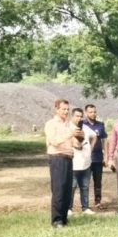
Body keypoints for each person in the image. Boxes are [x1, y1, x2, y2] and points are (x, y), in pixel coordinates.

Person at [44, 98, 84, 228]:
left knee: (67, 190)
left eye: (67, 109)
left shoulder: (68, 125)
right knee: (59, 189)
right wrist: (70, 134)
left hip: (68, 158)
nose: (66, 112)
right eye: (63, 109)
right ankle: (56, 220)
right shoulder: (51, 124)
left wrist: (80, 138)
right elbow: (54, 141)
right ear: (57, 109)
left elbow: (75, 144)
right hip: (57, 158)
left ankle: (64, 218)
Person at [70, 107, 97, 215]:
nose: (79, 118)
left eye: (81, 116)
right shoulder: (68, 127)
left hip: (86, 163)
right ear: (72, 116)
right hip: (73, 163)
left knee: (85, 187)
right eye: (77, 116)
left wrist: (91, 148)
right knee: (72, 187)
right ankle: (69, 208)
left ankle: (85, 208)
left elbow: (94, 136)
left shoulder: (85, 127)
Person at [82, 104, 109, 209]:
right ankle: (85, 204)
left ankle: (98, 202)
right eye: (90, 112)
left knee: (98, 182)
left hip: (98, 158)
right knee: (85, 182)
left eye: (94, 112)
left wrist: (106, 156)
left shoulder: (100, 125)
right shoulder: (82, 124)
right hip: (86, 158)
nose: (93, 114)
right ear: (86, 113)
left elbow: (105, 140)